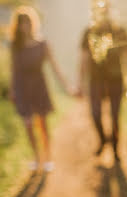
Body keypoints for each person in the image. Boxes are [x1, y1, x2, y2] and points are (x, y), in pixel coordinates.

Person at [9, 6, 71, 172]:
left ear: (32, 23)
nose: (25, 26)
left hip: (39, 86)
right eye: (22, 23)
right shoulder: (15, 46)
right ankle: (37, 157)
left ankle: (48, 156)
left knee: (42, 124)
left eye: (27, 23)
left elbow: (55, 67)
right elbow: (13, 69)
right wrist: (12, 89)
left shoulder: (42, 44)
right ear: (18, 26)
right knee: (28, 124)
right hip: (22, 88)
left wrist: (66, 86)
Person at [77, 0, 127, 162]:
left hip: (116, 80)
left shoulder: (120, 31)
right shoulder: (88, 32)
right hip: (96, 81)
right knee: (95, 114)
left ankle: (116, 149)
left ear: (110, 11)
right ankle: (102, 140)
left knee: (115, 116)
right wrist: (80, 83)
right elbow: (83, 60)